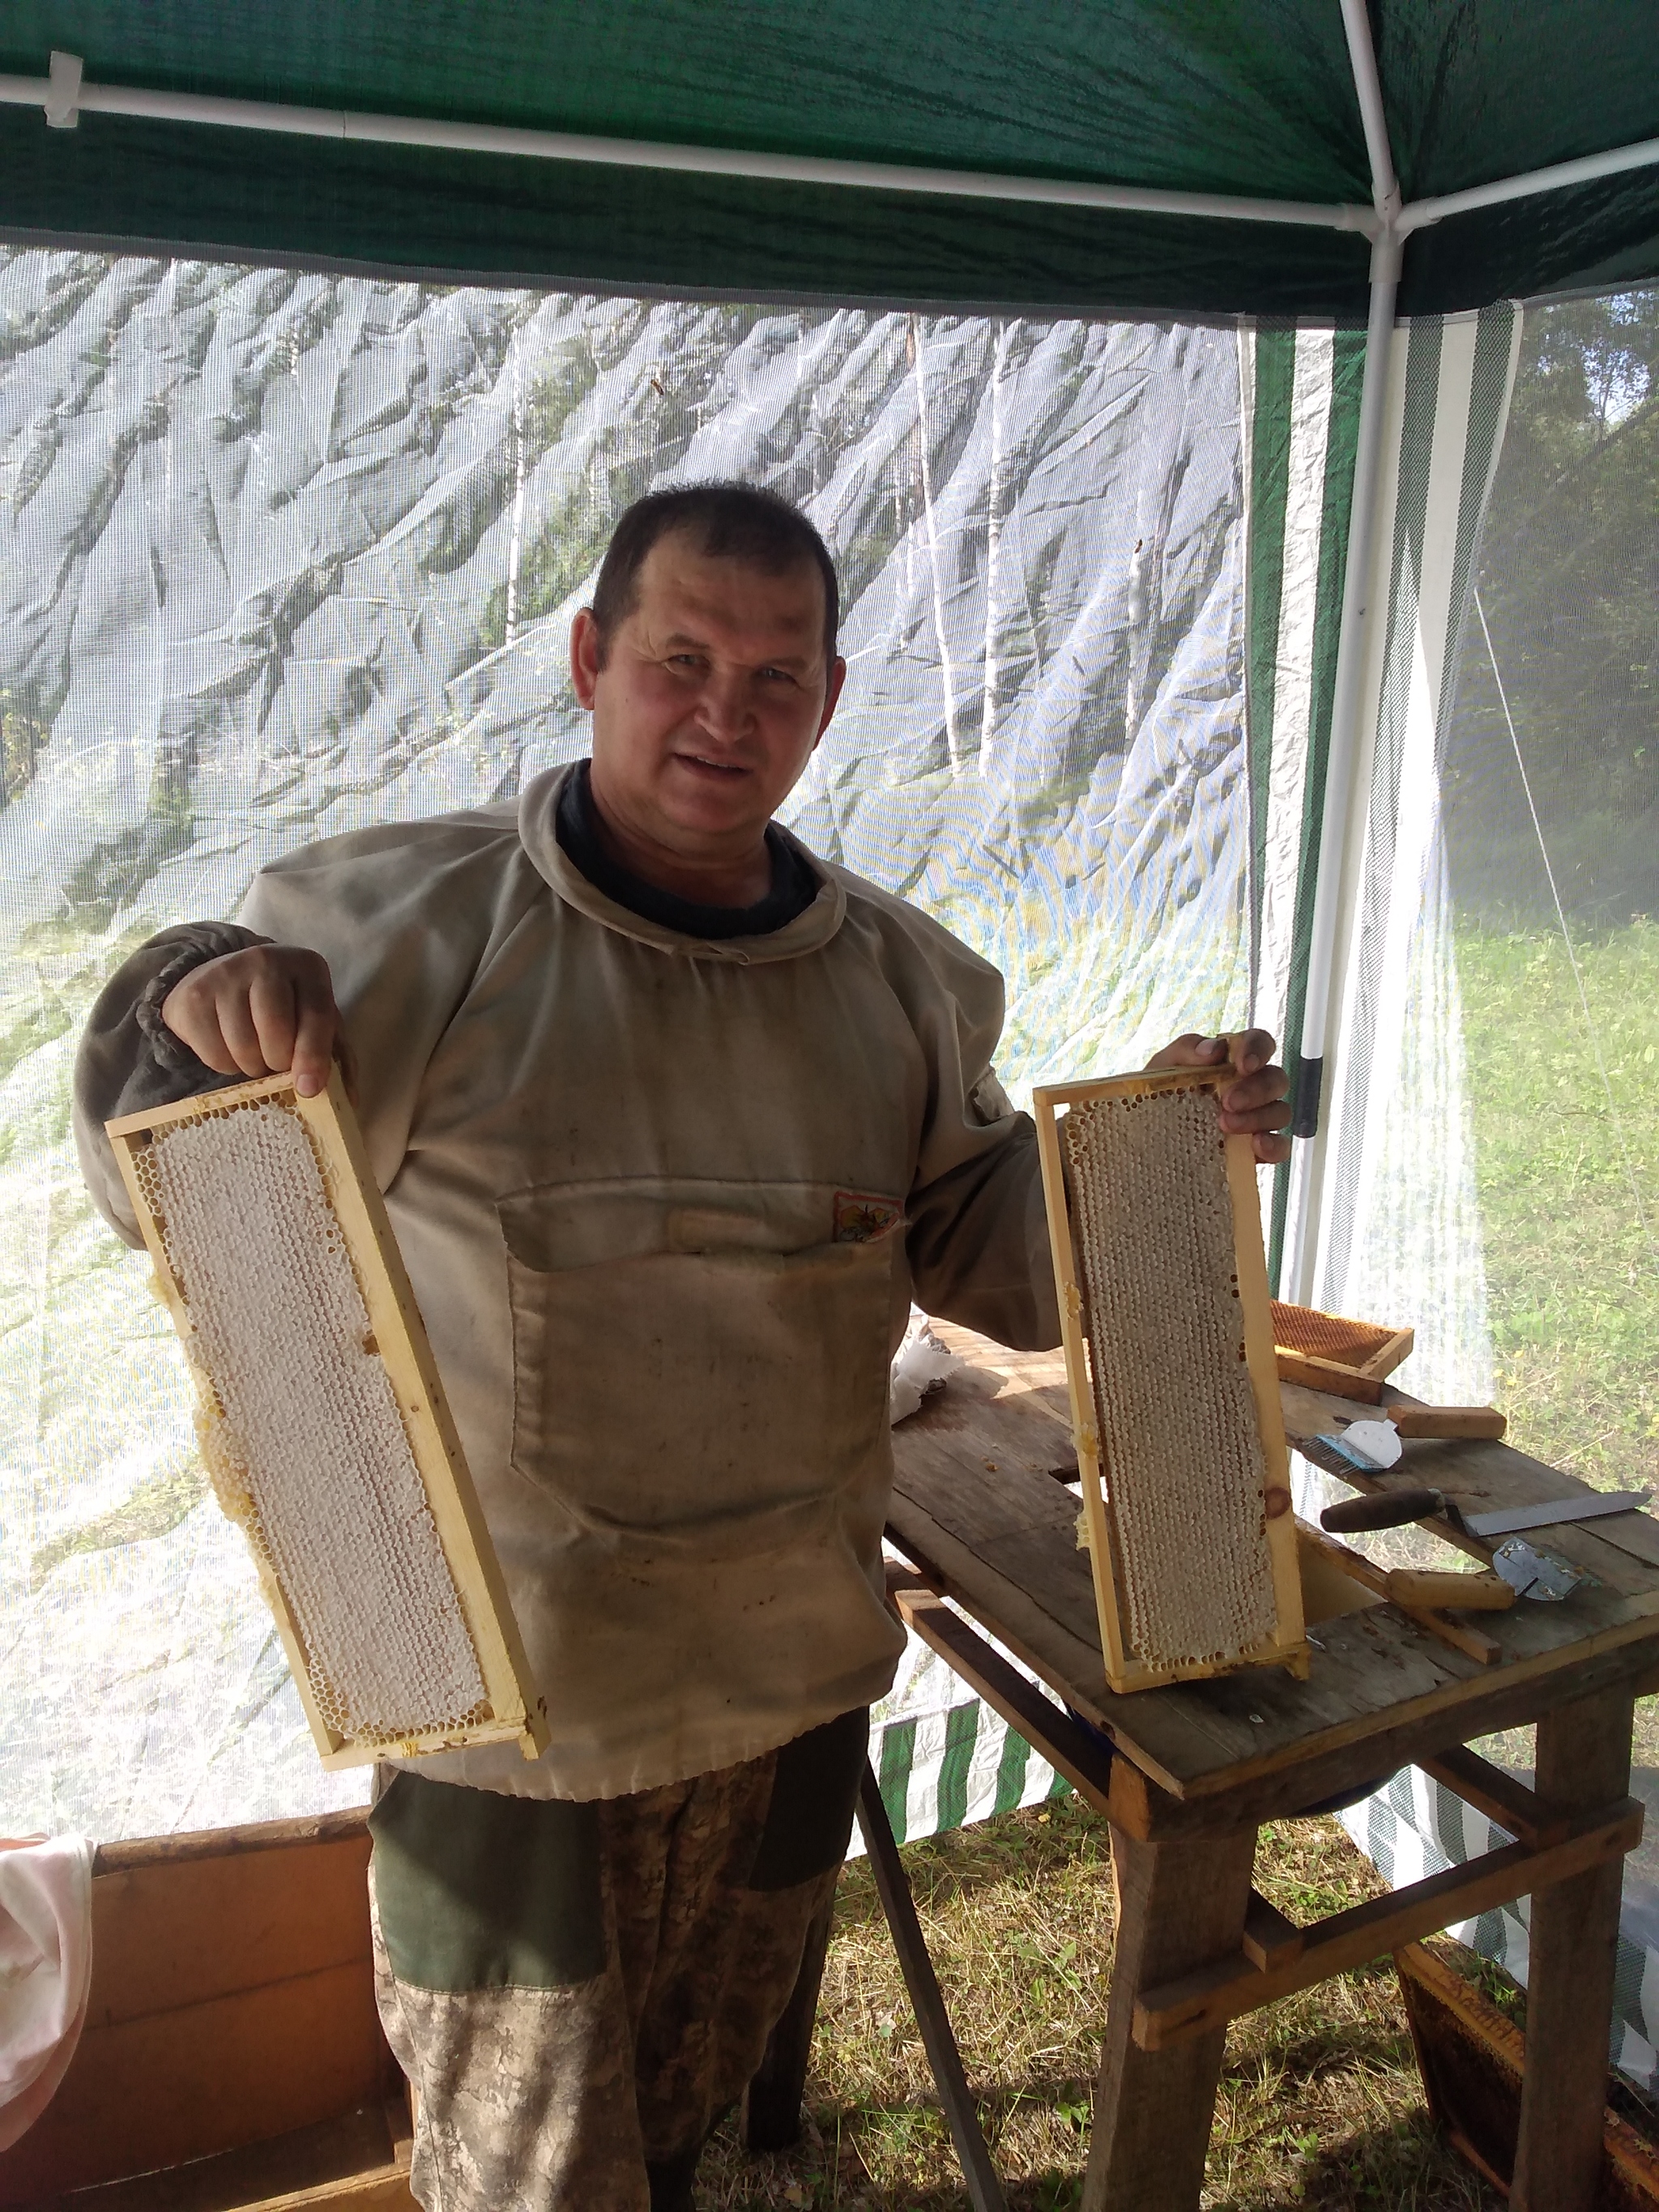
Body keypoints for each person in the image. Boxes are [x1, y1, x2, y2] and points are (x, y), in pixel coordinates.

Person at [75, 483, 1291, 2211]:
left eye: (776, 674)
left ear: (829, 696)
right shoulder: (402, 930)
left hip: (786, 1681)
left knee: (677, 2120)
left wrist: (1153, 1153)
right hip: (515, 1726)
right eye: (680, 659)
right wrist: (188, 988)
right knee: (522, 2178)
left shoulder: (897, 981)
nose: (727, 711)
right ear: (589, 660)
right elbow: (173, 1183)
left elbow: (990, 1260)